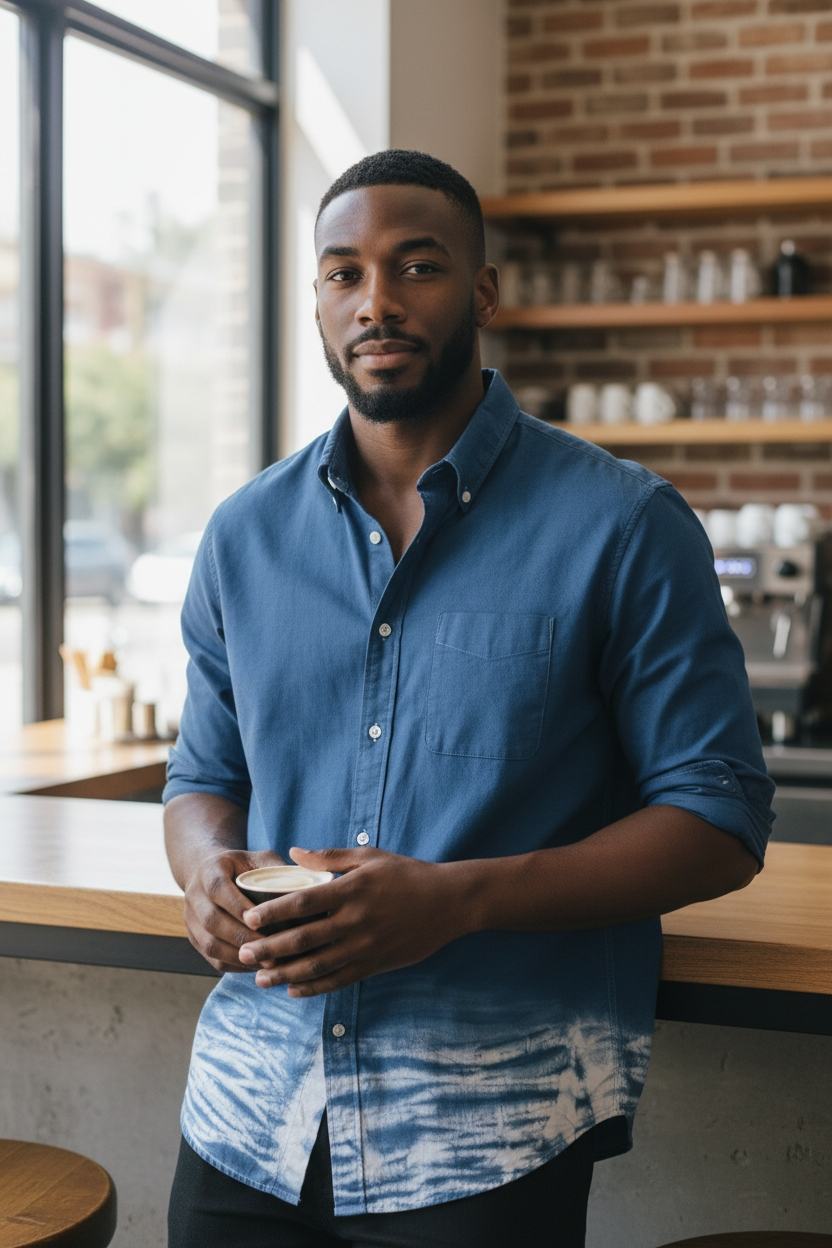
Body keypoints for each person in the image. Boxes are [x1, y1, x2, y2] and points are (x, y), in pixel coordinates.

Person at [164, 149, 774, 1248]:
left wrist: (457, 900)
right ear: (317, 300)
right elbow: (203, 777)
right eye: (343, 274)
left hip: (488, 1127)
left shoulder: (625, 526)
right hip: (247, 1117)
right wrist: (204, 868)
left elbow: (719, 816)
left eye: (418, 266)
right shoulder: (242, 535)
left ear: (483, 291)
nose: (376, 302)